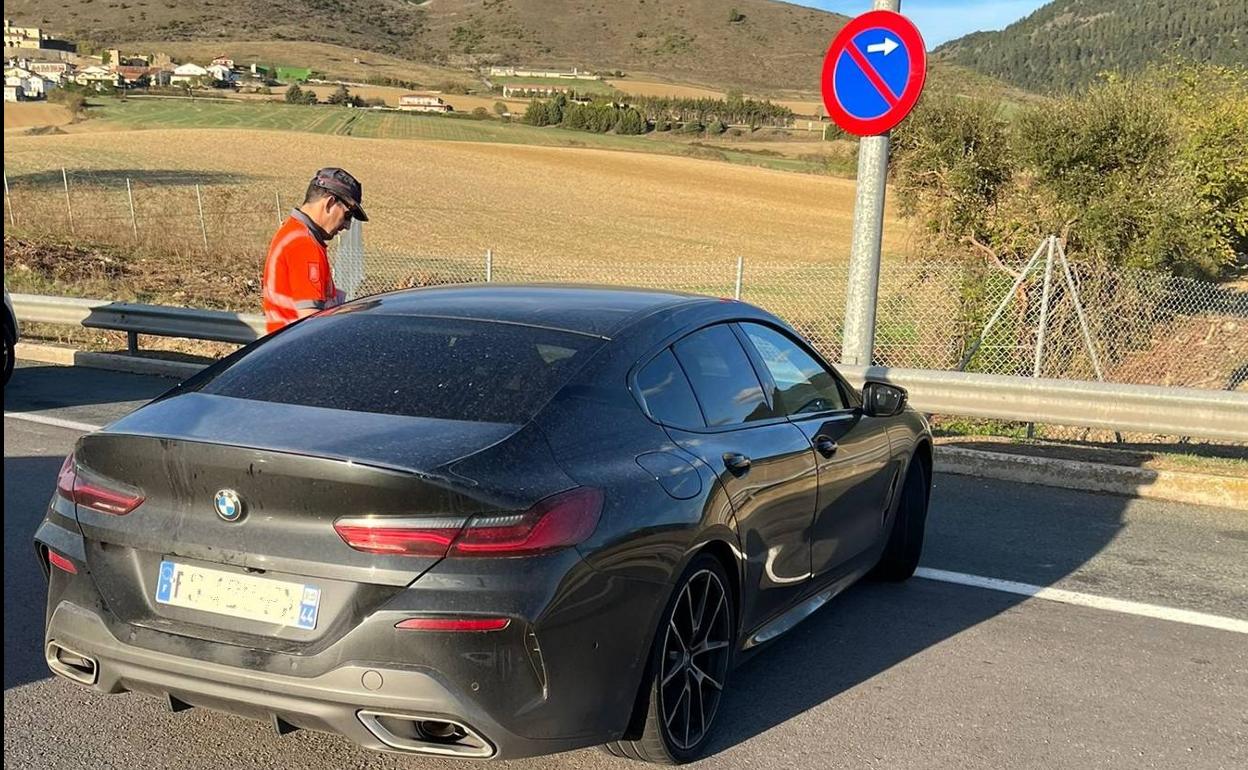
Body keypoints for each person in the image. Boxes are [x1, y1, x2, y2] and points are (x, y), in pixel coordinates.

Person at [262, 167, 369, 334]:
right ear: (329, 203)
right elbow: (312, 324)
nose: (347, 226)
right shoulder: (304, 245)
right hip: (295, 350)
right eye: (347, 215)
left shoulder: (292, 232)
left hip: (283, 346)